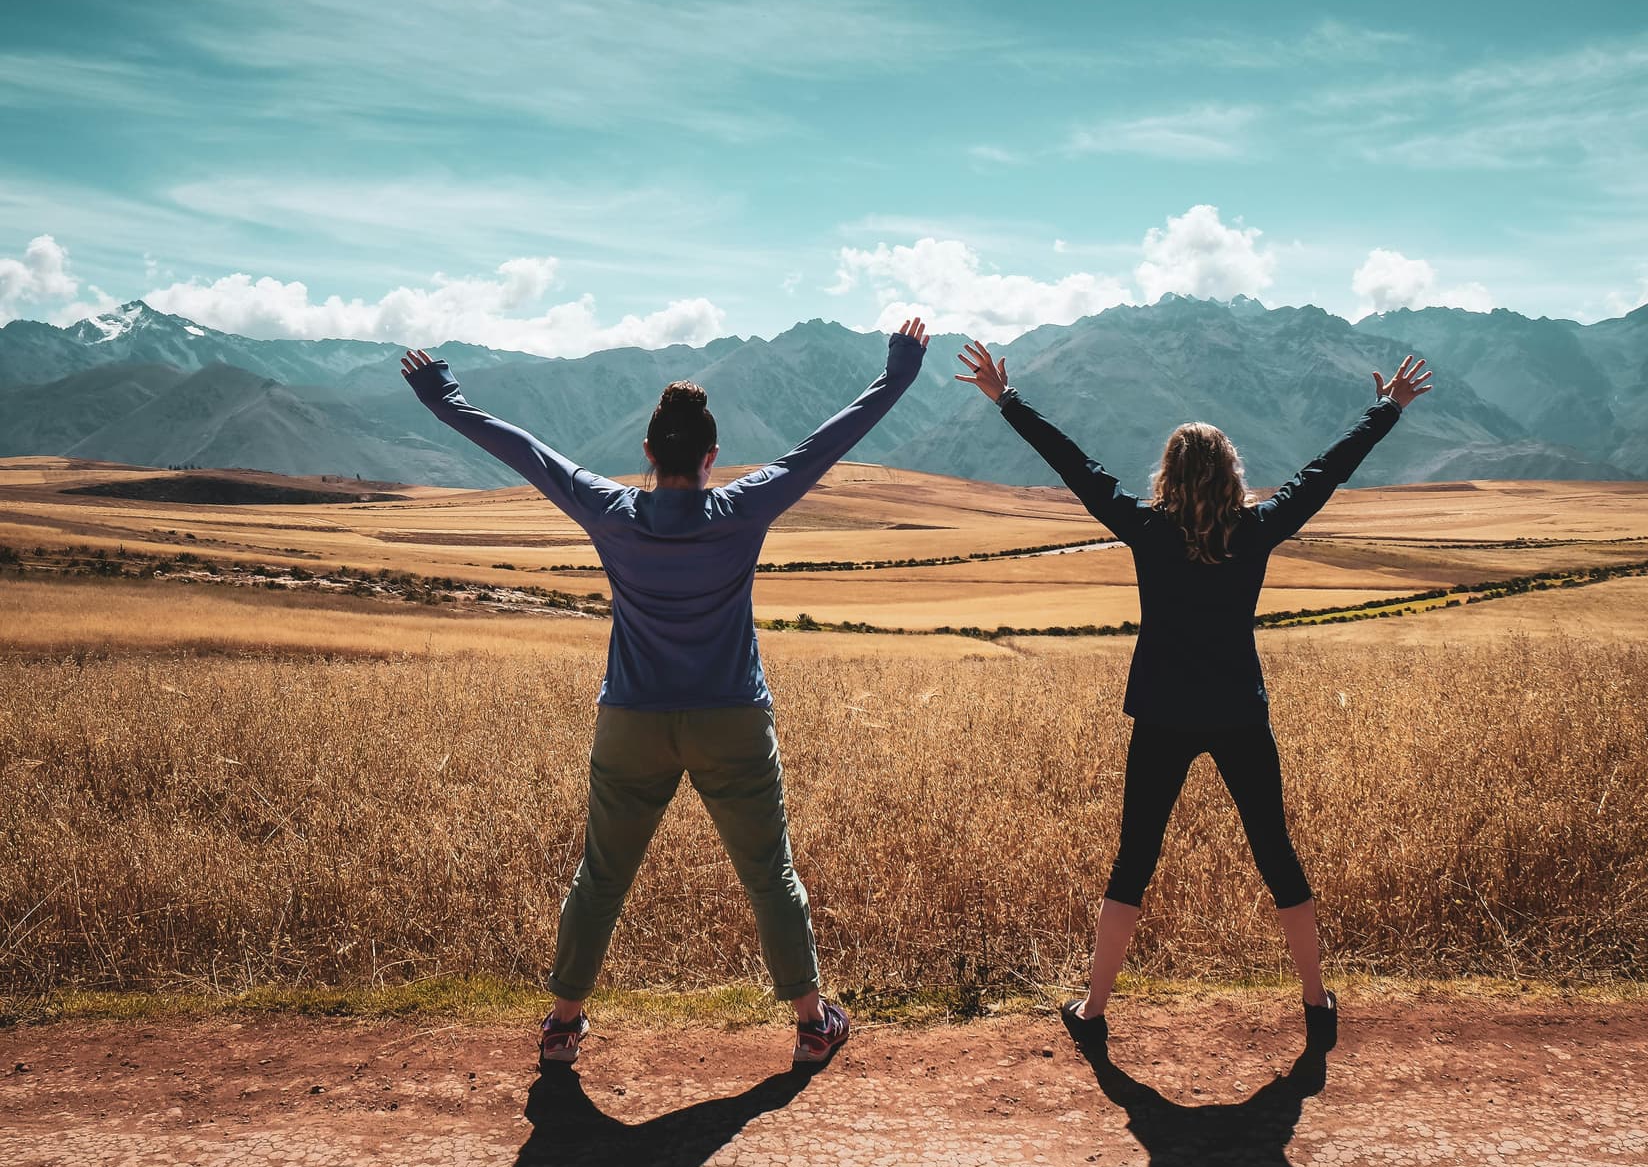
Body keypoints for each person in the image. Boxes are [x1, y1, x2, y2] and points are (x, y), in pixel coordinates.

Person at [401, 318, 932, 1067]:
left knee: (602, 877)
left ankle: (561, 1027)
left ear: (648, 453)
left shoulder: (607, 509)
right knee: (768, 874)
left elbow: (522, 450)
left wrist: (442, 396)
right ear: (711, 457)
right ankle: (814, 1023)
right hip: (732, 722)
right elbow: (829, 441)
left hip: (633, 723)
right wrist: (900, 372)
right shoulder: (744, 507)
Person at [953, 341, 1432, 1051]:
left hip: (1163, 714)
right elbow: (1327, 471)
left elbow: (1075, 466)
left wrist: (1008, 398)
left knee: (1133, 860)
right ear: (1233, 474)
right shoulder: (1259, 528)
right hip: (1239, 710)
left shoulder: (1148, 530)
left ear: (1169, 476)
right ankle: (1315, 1000)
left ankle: (1093, 1009)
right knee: (1276, 853)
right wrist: (1386, 408)